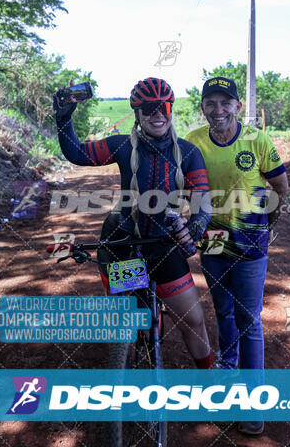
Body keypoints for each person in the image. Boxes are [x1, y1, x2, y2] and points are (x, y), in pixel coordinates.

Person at [53, 77, 213, 369]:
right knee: (123, 326)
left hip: (164, 246)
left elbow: (203, 202)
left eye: (163, 106)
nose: (157, 114)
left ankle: (210, 383)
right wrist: (63, 117)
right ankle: (124, 370)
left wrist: (195, 227)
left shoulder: (189, 153)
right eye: (148, 108)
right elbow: (77, 153)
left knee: (194, 321)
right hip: (124, 244)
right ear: (137, 114)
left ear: (171, 109)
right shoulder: (123, 146)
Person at [185, 76, 289, 434]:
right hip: (212, 242)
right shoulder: (193, 142)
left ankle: (252, 399)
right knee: (223, 310)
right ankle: (227, 369)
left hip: (249, 243)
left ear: (237, 107)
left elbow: (280, 185)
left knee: (249, 319)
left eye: (225, 103)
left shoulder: (256, 140)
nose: (218, 110)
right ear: (202, 107)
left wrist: (267, 224)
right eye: (210, 103)